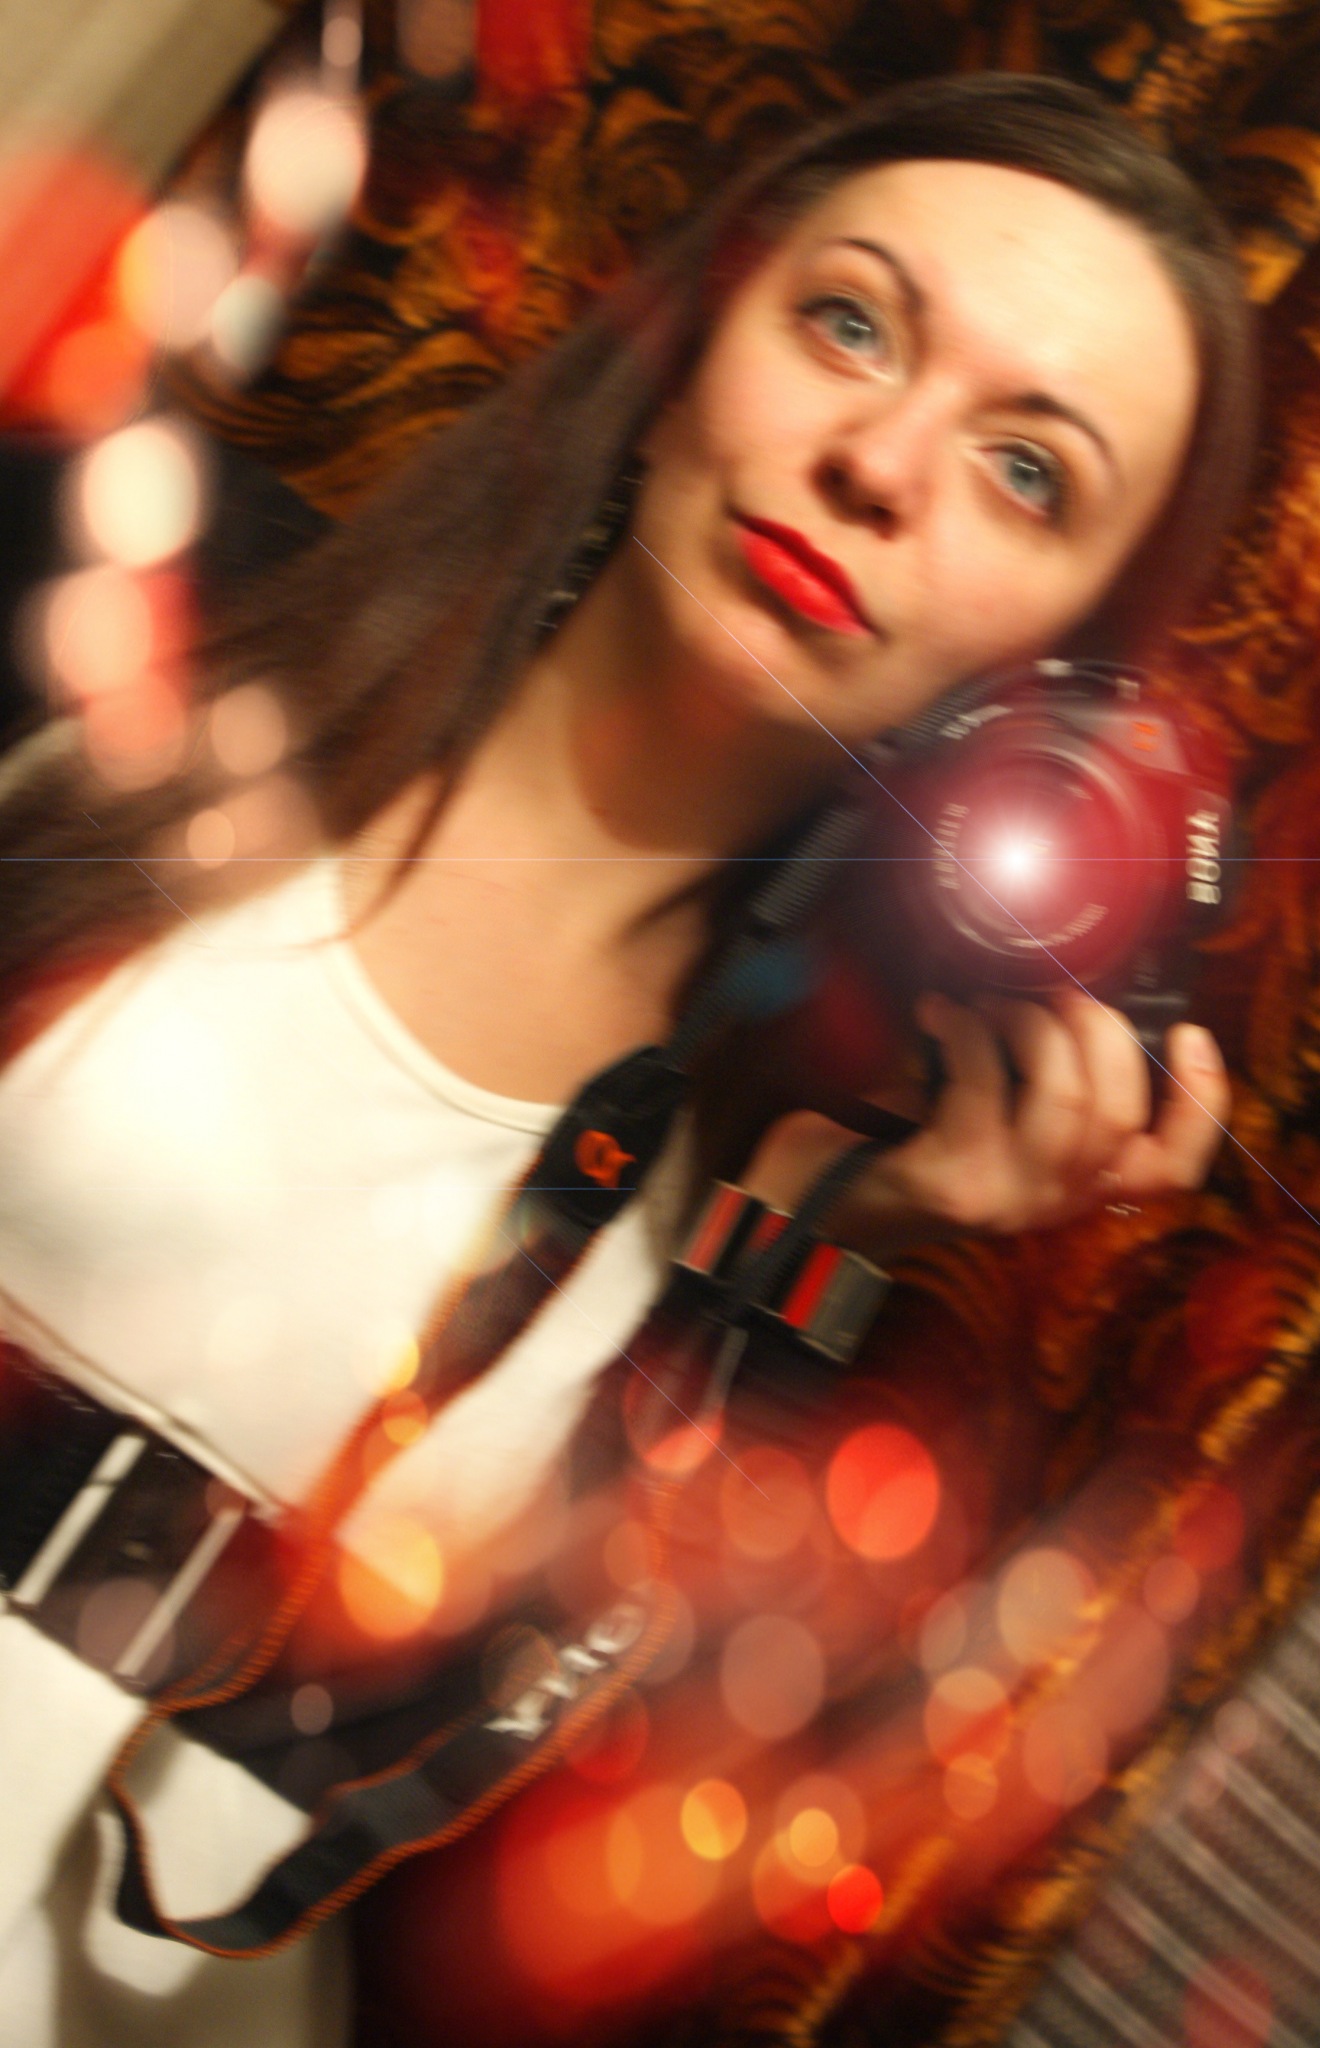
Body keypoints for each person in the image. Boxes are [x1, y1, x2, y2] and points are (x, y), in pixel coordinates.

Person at [0, 72, 1255, 2048]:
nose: (880, 461)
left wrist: (829, 1242)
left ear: (1059, 675)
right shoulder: (126, 611)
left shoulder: (778, 1181)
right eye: (847, 322)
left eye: (1027, 471)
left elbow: (506, 1875)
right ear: (688, 331)